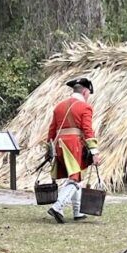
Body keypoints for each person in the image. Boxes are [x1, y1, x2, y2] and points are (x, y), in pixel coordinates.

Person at [46, 77, 101, 223]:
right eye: (88, 93)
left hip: (59, 145)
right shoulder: (85, 107)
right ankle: (58, 206)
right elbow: (88, 130)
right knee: (75, 179)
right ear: (84, 91)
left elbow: (52, 130)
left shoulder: (59, 106)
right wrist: (95, 152)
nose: (88, 95)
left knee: (75, 178)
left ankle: (78, 212)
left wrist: (49, 149)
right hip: (74, 145)